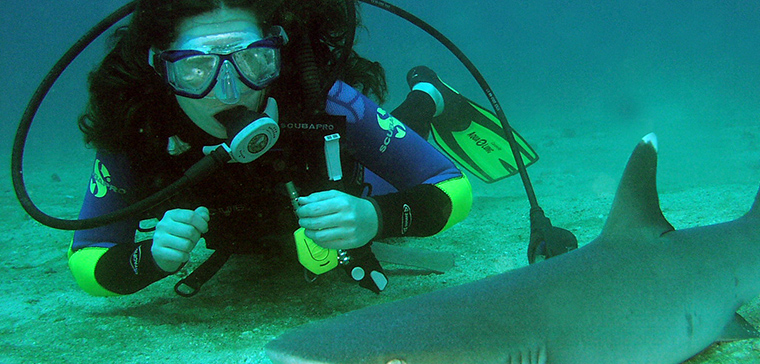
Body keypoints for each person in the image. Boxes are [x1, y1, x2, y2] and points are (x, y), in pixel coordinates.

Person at [68, 0, 472, 297]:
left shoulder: (322, 100)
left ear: (276, 52)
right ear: (160, 68)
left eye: (253, 60)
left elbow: (453, 186)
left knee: (391, 163)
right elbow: (86, 257)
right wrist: (149, 259)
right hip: (258, 237)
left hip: (353, 194)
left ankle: (428, 94)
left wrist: (375, 217)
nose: (230, 92)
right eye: (195, 68)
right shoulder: (139, 127)